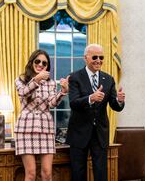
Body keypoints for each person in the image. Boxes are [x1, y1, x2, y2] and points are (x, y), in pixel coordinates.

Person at [67, 43, 125, 181]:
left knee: (101, 173)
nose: (98, 60)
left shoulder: (108, 79)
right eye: (95, 57)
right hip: (79, 132)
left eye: (101, 57)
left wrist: (120, 100)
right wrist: (90, 98)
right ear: (85, 58)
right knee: (78, 173)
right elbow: (73, 103)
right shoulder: (75, 77)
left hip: (100, 133)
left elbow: (114, 106)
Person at [14, 49, 69, 181]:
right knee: (31, 173)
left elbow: (52, 103)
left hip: (46, 129)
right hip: (25, 130)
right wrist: (36, 80)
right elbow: (23, 93)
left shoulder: (50, 83)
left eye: (44, 63)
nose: (40, 64)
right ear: (32, 62)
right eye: (37, 61)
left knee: (47, 173)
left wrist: (62, 92)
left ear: (47, 66)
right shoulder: (20, 79)